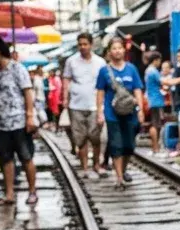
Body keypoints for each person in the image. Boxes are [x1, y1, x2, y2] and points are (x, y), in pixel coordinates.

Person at [0, 34, 39, 205]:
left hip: (19, 121)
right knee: (6, 159)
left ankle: (32, 191)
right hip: (0, 124)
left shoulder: (17, 69)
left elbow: (27, 92)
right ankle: (9, 194)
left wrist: (29, 116)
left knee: (26, 157)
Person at [95, 36, 144, 188]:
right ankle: (119, 177)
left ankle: (122, 170)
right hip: (112, 113)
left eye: (119, 48)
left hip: (130, 113)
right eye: (114, 49)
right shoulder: (104, 71)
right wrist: (100, 112)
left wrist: (141, 109)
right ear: (109, 52)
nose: (117, 51)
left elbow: (137, 89)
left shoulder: (131, 69)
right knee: (116, 144)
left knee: (129, 145)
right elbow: (100, 92)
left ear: (124, 50)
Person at [62, 32, 107, 176]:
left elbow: (105, 83)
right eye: (80, 44)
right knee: (80, 139)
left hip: (95, 105)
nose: (82, 47)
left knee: (96, 138)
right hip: (76, 105)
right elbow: (66, 79)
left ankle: (96, 165)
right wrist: (65, 98)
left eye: (85, 44)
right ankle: (85, 168)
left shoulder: (100, 62)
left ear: (91, 45)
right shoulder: (71, 61)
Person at [143, 51, 165, 156]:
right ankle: (156, 148)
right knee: (155, 124)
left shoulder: (148, 71)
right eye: (159, 60)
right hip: (155, 100)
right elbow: (163, 82)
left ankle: (155, 148)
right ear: (155, 60)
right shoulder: (153, 71)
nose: (160, 63)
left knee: (154, 124)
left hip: (151, 99)